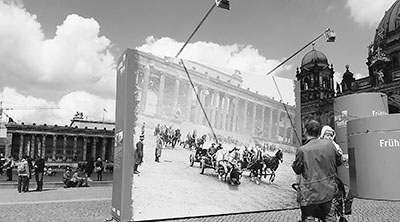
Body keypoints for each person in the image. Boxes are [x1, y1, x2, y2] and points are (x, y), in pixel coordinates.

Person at [292, 119, 342, 222]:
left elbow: (297, 170)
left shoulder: (302, 150)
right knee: (329, 218)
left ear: (305, 131)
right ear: (319, 132)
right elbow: (339, 162)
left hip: (310, 193)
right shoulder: (330, 145)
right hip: (328, 190)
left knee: (309, 218)